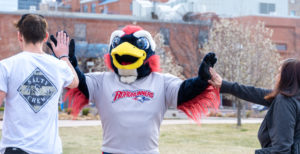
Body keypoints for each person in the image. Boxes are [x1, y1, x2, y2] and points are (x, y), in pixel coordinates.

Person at [49, 25, 220, 154]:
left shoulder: (161, 81)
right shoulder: (102, 80)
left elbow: (184, 92)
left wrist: (201, 80)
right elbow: (79, 83)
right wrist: (68, 61)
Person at [0, 14, 78, 154]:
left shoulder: (6, 66)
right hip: (49, 149)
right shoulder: (59, 66)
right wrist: (64, 57)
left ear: (20, 36)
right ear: (45, 37)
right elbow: (74, 82)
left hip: (16, 148)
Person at [208, 58, 300, 153]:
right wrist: (224, 85)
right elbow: (255, 93)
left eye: (280, 73)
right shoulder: (293, 98)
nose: (277, 77)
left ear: (288, 77)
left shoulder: (285, 101)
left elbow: (282, 150)